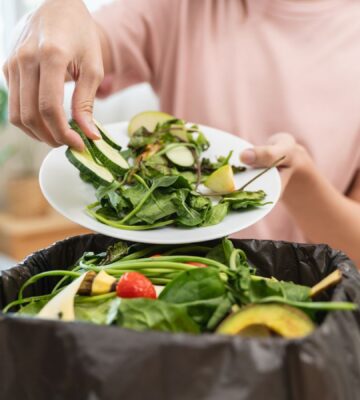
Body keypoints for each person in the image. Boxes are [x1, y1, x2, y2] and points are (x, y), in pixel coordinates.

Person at [2, 0, 360, 265]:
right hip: (159, 278)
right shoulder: (183, 6)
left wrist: (299, 184)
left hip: (287, 300)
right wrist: (60, 12)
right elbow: (82, 43)